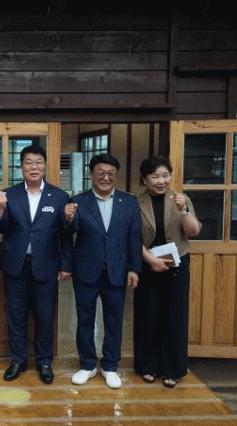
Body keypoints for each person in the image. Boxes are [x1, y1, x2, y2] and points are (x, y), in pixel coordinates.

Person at [0, 145, 72, 384]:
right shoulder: (10, 194)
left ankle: (44, 361)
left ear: (45, 166)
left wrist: (66, 265)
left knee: (44, 318)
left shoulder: (59, 197)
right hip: (16, 267)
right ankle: (18, 360)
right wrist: (0, 209)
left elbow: (66, 235)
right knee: (16, 316)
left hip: (46, 267)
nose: (34, 167)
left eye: (38, 162)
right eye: (28, 162)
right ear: (21, 166)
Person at [65, 153, 142, 389]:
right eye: (101, 173)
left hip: (117, 271)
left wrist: (134, 268)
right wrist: (68, 219)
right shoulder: (78, 201)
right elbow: (70, 234)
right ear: (92, 175)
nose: (106, 178)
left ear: (116, 176)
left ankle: (110, 366)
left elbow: (134, 237)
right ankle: (87, 364)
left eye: (110, 173)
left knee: (114, 321)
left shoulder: (129, 202)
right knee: (85, 320)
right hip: (86, 271)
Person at [134, 157, 201, 388]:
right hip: (148, 264)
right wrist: (151, 260)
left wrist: (184, 210)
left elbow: (193, 231)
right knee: (149, 315)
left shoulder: (181, 199)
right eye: (155, 176)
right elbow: (132, 238)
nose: (161, 181)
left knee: (175, 316)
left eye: (165, 175)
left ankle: (173, 368)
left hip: (177, 264)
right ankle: (148, 366)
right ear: (145, 179)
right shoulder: (136, 202)